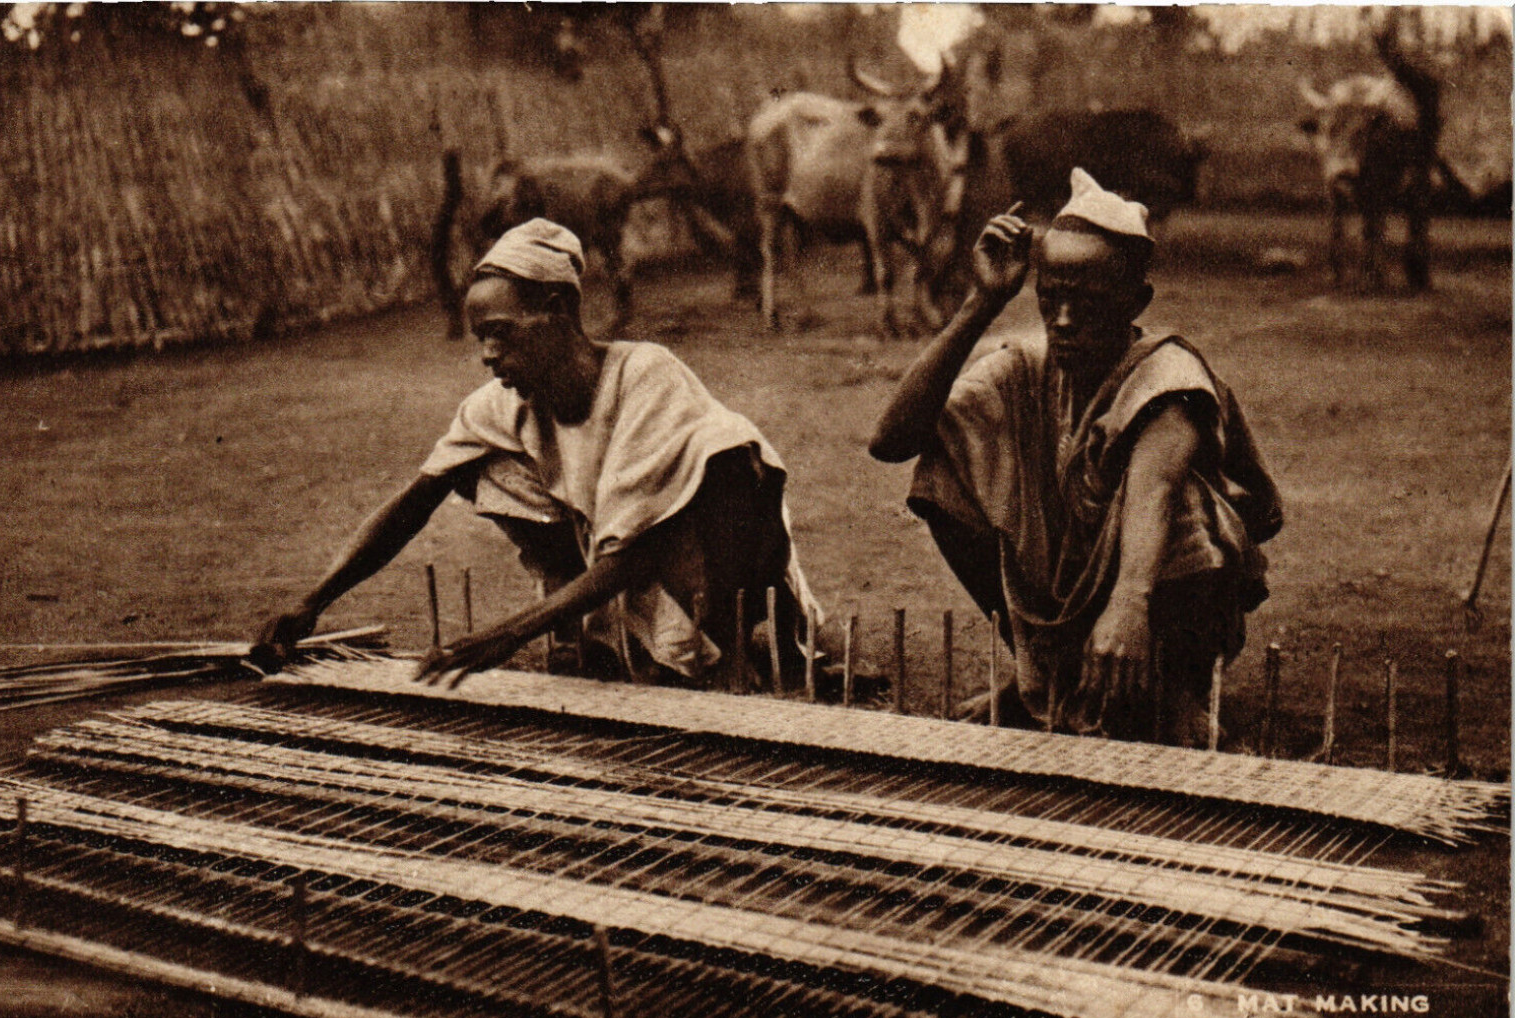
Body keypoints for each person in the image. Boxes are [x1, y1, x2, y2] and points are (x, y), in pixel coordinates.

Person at [254, 218, 820, 687]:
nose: (488, 355)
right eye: (481, 339)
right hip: (615, 554)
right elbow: (413, 502)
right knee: (487, 469)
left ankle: (731, 647)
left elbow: (638, 552)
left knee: (722, 458)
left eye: (502, 332)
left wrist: (506, 634)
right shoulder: (500, 407)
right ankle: (591, 637)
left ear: (558, 310)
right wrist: (313, 602)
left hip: (720, 555)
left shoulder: (647, 374)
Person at [869, 170, 1281, 746]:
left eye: (1087, 303)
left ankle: (1180, 691)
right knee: (942, 473)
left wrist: (1129, 607)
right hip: (1075, 600)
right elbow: (891, 442)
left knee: (1183, 509)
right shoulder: (1026, 368)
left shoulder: (1167, 374)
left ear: (1135, 302)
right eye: (1050, 299)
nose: (1063, 320)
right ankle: (1043, 675)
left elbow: (1156, 492)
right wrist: (982, 302)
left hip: (1159, 590)